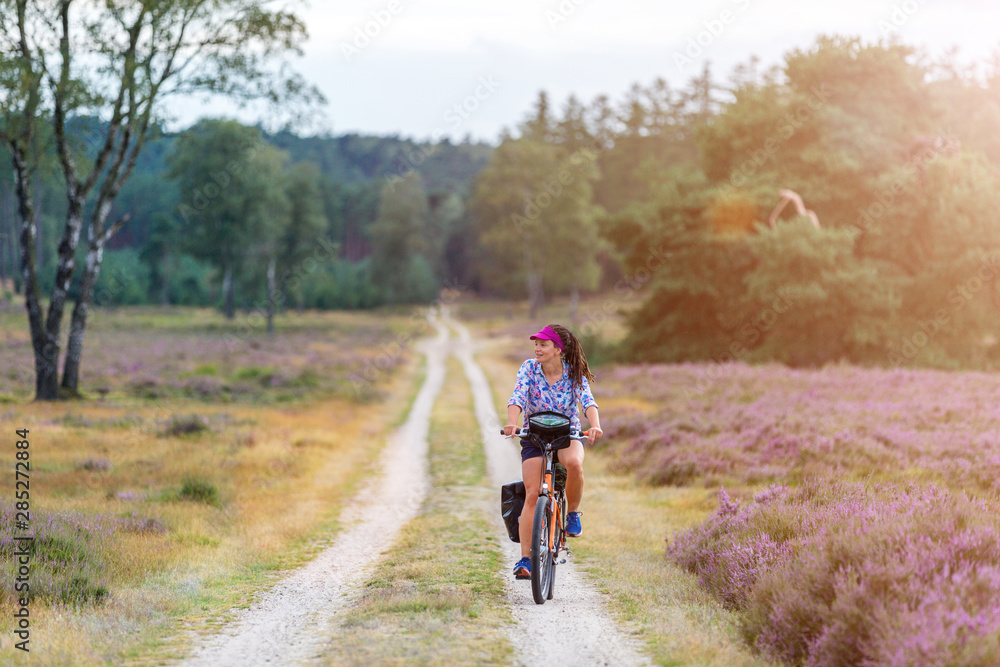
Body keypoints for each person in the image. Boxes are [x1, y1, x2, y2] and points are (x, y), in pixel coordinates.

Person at [503, 324, 602, 579]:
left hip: (566, 435)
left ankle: (572, 515)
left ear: (558, 349)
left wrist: (595, 426)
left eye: (543, 344)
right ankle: (525, 559)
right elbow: (518, 396)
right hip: (534, 436)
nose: (537, 348)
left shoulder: (574, 373)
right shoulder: (529, 368)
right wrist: (513, 422)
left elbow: (587, 400)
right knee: (533, 495)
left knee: (575, 465)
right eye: (536, 344)